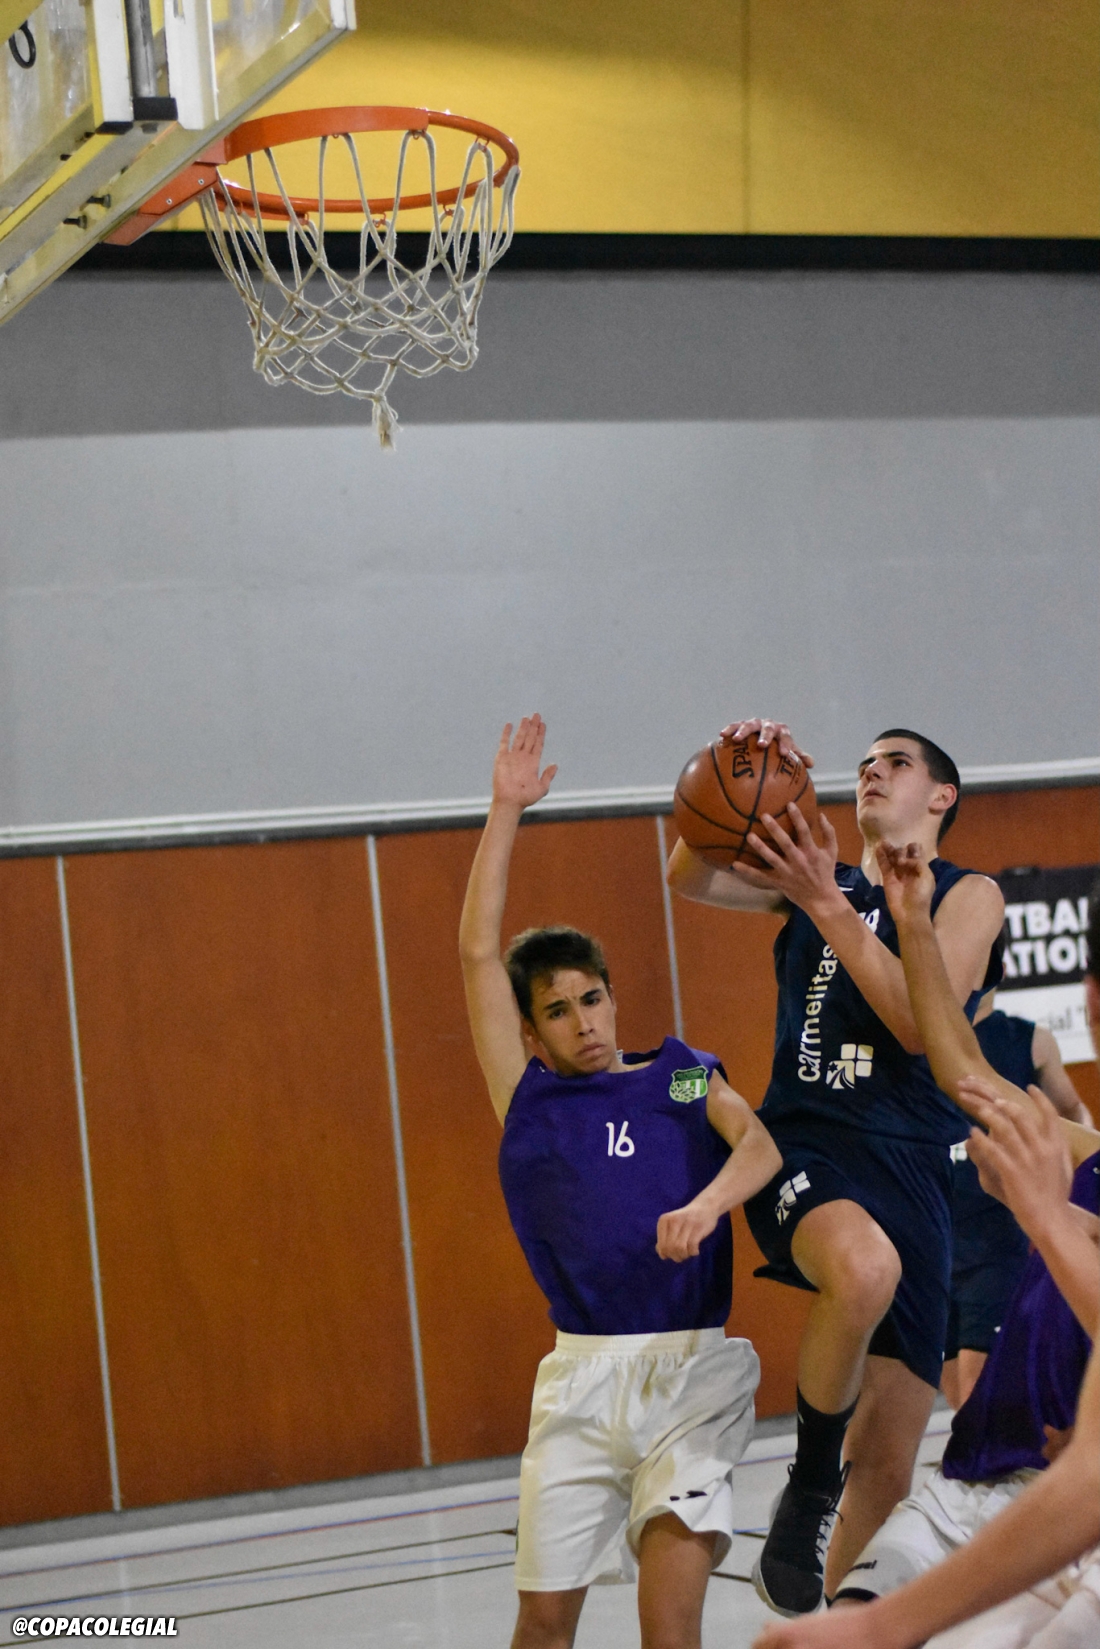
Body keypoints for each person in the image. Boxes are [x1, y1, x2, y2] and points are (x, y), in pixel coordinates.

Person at [459, 715, 783, 1649]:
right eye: (558, 1011)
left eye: (591, 997)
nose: (584, 1021)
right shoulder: (529, 1099)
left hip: (691, 1373)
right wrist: (506, 809)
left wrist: (707, 1203)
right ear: (532, 1032)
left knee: (667, 1625)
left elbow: (758, 1144)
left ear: (612, 993)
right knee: (542, 1625)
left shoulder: (678, 1075)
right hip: (581, 1380)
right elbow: (477, 954)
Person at [667, 720, 1005, 1614]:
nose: (871, 773)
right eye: (862, 765)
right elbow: (688, 871)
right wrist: (741, 766)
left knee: (889, 1464)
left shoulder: (970, 895)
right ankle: (811, 1482)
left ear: (942, 794)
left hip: (916, 1169)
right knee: (862, 1269)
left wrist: (825, 902)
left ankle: (834, 1627)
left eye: (896, 762)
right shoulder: (818, 879)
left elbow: (920, 1026)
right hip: (804, 1142)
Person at [750, 857, 1100, 1649]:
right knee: (860, 1603)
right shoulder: (1083, 1147)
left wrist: (1048, 1216)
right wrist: (912, 922)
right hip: (976, 1480)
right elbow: (965, 1071)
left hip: (1068, 1493)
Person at [943, 989, 1091, 1410]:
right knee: (957, 1399)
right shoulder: (921, 1041)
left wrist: (1073, 1183)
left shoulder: (1028, 1040)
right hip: (938, 1239)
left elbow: (1073, 1112)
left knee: (977, 1393)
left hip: (996, 1241)